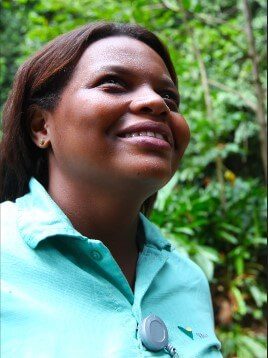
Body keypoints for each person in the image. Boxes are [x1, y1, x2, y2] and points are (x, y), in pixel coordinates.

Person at [0, 22, 222, 357]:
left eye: (169, 98)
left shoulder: (188, 279)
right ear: (40, 126)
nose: (156, 103)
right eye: (114, 84)